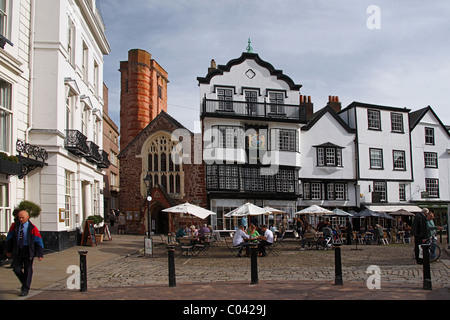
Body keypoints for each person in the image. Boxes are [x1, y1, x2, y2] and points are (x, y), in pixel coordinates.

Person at [6, 210, 44, 297]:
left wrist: (40, 254)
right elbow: (9, 239)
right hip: (18, 249)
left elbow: (39, 241)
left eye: (22, 217)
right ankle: (25, 282)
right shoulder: (14, 226)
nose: (21, 219)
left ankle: (25, 289)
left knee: (28, 269)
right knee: (16, 268)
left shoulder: (32, 228)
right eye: (19, 217)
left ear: (27, 218)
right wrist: (8, 251)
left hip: (28, 250)